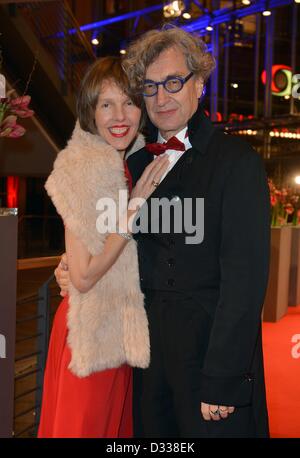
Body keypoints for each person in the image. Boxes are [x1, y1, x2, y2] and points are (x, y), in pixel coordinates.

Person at [56, 27, 271, 438]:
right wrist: (67, 266)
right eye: (151, 87)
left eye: (174, 82)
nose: (161, 97)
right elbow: (105, 243)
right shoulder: (130, 164)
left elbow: (245, 284)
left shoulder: (236, 163)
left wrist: (223, 378)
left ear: (200, 85)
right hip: (142, 367)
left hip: (208, 363)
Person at [37, 56, 169, 438]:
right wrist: (131, 214)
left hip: (119, 332)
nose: (119, 115)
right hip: (91, 337)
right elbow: (81, 276)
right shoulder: (82, 167)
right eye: (105, 104)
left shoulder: (131, 164)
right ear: (90, 112)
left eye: (128, 102)